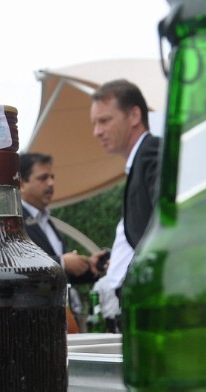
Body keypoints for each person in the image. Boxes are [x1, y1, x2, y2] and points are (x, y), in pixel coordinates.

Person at [88, 79, 161, 325]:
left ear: (134, 116)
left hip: (150, 307)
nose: (96, 131)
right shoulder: (139, 161)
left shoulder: (151, 153)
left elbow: (164, 225)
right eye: (95, 123)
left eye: (104, 120)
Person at [19, 152, 107, 285]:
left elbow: (62, 276)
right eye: (43, 178)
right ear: (22, 184)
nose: (51, 183)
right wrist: (62, 262)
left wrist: (90, 265)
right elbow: (16, 265)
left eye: (52, 177)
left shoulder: (47, 221)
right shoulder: (14, 222)